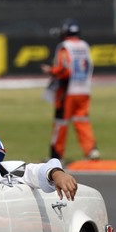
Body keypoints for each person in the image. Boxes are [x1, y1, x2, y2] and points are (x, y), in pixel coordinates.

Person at [41, 18, 100, 163]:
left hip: (68, 91)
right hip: (84, 89)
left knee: (61, 123)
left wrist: (51, 70)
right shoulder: (84, 45)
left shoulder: (65, 47)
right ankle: (91, 150)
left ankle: (56, 156)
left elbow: (64, 69)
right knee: (82, 120)